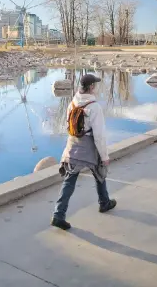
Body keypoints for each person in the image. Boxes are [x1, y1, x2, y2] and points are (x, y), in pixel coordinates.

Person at [51, 74, 116, 230]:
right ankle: (104, 203)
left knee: (69, 179)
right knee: (100, 172)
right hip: (89, 146)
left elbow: (68, 126)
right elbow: (99, 136)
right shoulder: (94, 107)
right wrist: (104, 156)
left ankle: (58, 215)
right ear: (92, 87)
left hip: (72, 144)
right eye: (96, 85)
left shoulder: (72, 103)